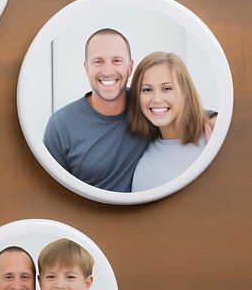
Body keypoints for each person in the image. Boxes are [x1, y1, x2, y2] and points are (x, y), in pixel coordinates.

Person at [43, 28, 149, 191]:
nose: (107, 71)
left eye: (117, 61)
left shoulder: (148, 106)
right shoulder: (60, 125)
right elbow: (50, 192)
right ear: (86, 68)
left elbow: (185, 111)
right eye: (98, 61)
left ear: (130, 67)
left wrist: (203, 119)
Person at [129, 52, 211, 191]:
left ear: (185, 91)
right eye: (147, 89)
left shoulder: (212, 136)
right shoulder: (142, 149)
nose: (156, 99)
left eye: (166, 88)